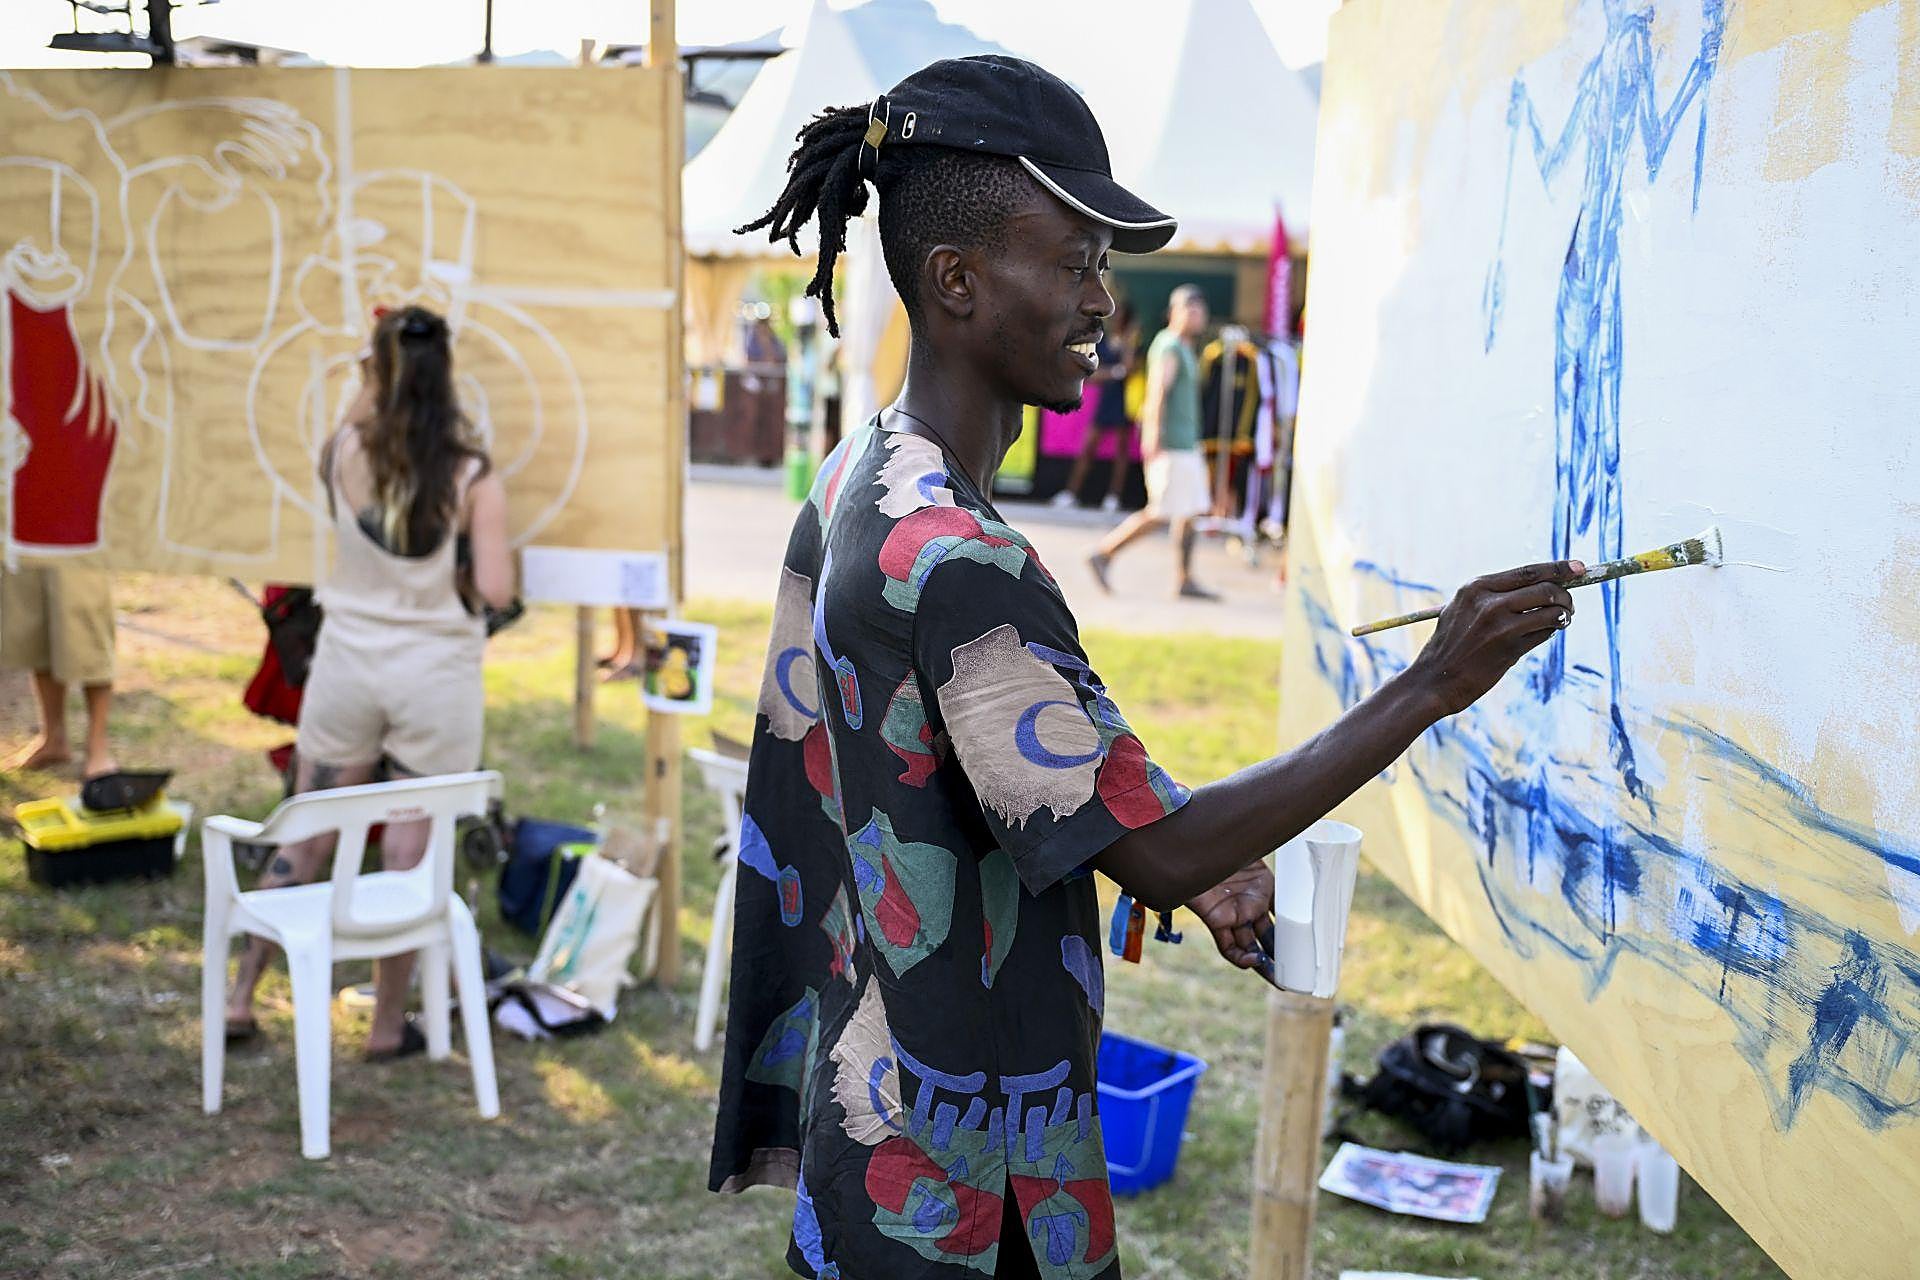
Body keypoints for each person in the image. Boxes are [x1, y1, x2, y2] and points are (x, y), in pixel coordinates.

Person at [709, 54, 1583, 1280]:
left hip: (880, 1120)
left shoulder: (868, 472)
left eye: (1101, 267)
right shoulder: (957, 556)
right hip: (967, 1188)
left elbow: (1001, 742)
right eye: (1070, 263)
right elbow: (1159, 853)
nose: (1101, 302)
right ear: (955, 281)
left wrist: (1178, 839)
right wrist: (1432, 681)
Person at [223, 304, 513, 1059]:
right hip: (434, 678)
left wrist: (369, 375)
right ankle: (386, 1026)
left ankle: (237, 998)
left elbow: (354, 426)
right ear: (447, 376)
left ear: (377, 374)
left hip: (347, 665)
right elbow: (497, 588)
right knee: (409, 855)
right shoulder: (472, 473)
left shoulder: (342, 449)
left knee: (307, 827)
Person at [1086, 285, 1218, 600]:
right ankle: (1104, 553)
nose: (1197, 316)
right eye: (1191, 309)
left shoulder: (1185, 347)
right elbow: (1158, 391)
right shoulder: (1169, 345)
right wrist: (1153, 436)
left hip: (1187, 443)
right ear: (1175, 312)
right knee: (1160, 511)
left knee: (1189, 513)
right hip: (1172, 445)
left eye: (1200, 310)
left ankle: (1184, 578)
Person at [0, 565, 118, 778]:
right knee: (35, 625)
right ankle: (53, 739)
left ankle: (98, 748)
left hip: (79, 541)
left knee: (88, 627)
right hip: (26, 537)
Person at [1050, 301, 1138, 512]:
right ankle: (1071, 493)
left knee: (1121, 452)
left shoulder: (1131, 343)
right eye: (1117, 317)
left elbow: (1130, 368)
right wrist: (1116, 372)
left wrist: (1128, 343)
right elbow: (1093, 374)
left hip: (1123, 401)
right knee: (1088, 447)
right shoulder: (1104, 342)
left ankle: (1113, 497)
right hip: (1106, 401)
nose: (1118, 321)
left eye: (1123, 318)